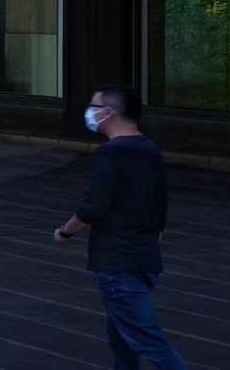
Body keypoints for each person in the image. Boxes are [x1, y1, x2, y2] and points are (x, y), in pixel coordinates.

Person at [54, 82, 184, 369]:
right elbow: (160, 204)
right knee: (123, 341)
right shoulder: (148, 148)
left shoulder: (111, 153)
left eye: (93, 106)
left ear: (109, 112)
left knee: (149, 342)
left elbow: (92, 206)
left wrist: (65, 231)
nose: (89, 112)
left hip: (118, 261)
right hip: (144, 258)